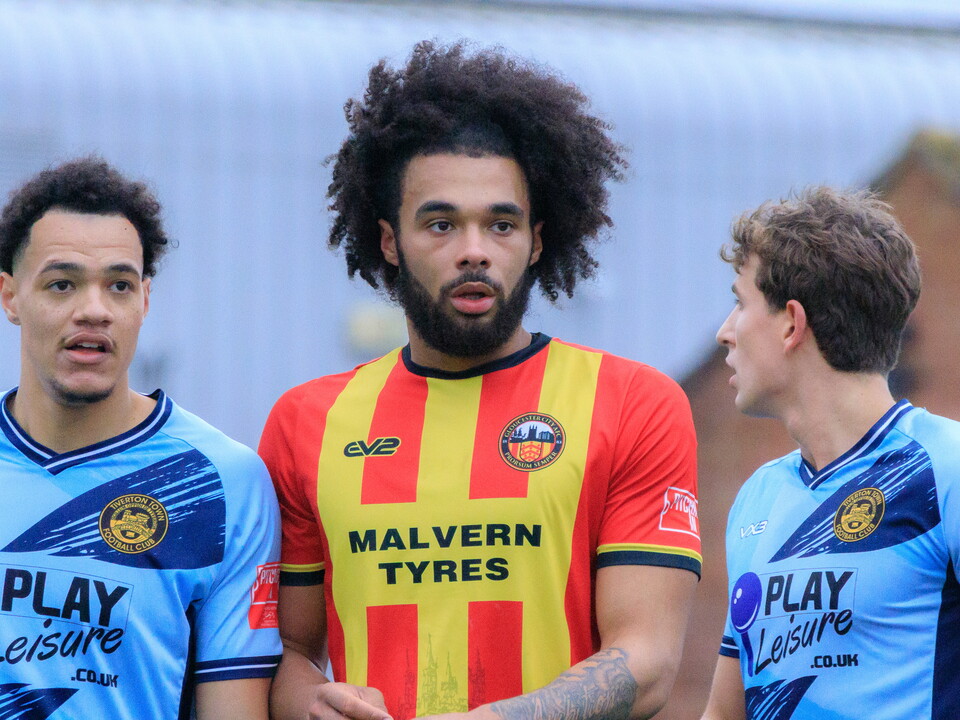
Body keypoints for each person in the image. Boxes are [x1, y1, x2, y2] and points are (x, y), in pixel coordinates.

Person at [259, 41, 701, 720]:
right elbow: (286, 652)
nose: (474, 249)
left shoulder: (634, 403)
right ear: (389, 242)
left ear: (537, 241)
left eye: (501, 223)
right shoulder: (305, 422)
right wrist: (316, 707)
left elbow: (648, 662)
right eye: (441, 223)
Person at [0, 157, 281, 719]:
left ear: (145, 301)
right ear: (11, 297)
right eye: (62, 284)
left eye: (120, 286)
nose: (94, 310)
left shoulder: (224, 482)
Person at [703, 187, 958, 720]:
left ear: (791, 323)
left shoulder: (947, 467)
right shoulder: (759, 497)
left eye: (739, 302)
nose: (725, 333)